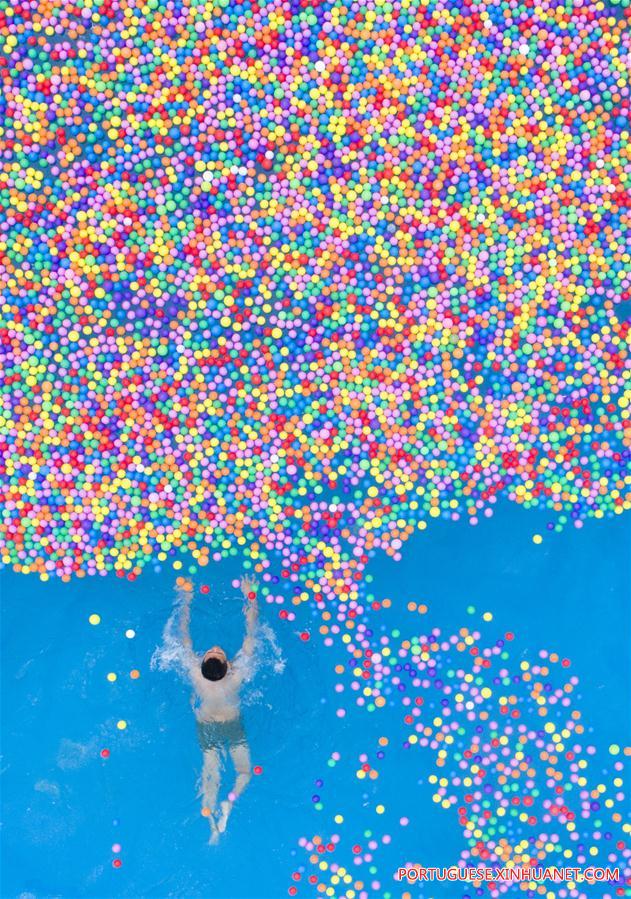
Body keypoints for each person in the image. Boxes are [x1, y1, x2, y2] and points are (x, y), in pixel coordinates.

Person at [177, 574, 258, 843]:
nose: (215, 648)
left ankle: (211, 821)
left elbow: (183, 635)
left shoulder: (193, 670)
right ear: (227, 667)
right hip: (231, 723)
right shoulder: (237, 675)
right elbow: (251, 633)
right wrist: (250, 597)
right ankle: (229, 804)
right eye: (218, 653)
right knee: (244, 772)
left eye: (212, 652)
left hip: (206, 724)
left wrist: (186, 601)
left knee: (209, 771)